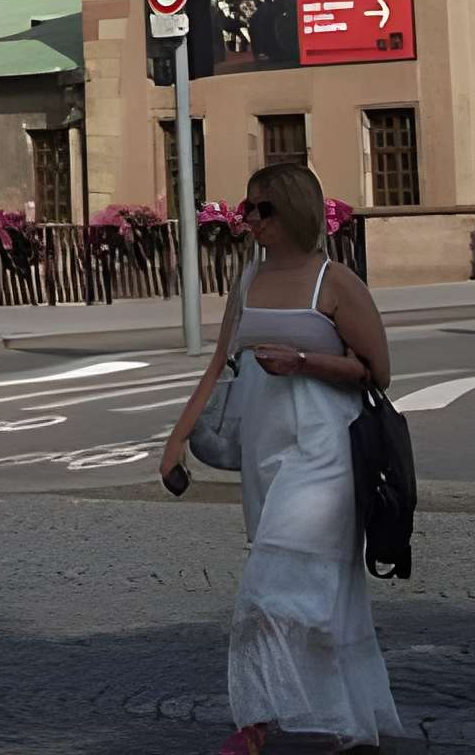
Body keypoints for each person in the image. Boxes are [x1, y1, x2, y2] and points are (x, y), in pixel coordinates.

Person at [158, 162, 402, 755]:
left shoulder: (336, 283)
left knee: (272, 585)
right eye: (247, 208)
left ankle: (255, 722)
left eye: (261, 209)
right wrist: (174, 441)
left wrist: (304, 362)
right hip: (267, 451)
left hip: (327, 450)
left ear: (293, 210)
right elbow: (218, 366)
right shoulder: (247, 282)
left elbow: (379, 373)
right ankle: (353, 724)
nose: (249, 220)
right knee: (326, 589)